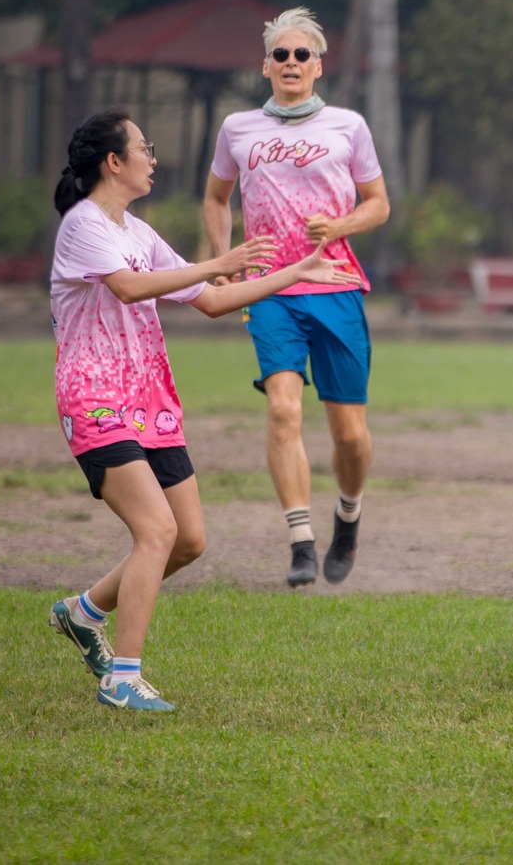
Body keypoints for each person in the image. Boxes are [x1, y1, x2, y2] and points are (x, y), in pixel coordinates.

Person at [46, 109, 360, 712]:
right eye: (145, 147)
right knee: (156, 531)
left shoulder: (138, 232)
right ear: (114, 163)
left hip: (151, 402)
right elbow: (132, 288)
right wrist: (218, 260)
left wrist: (293, 273)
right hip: (96, 399)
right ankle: (123, 677)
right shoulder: (84, 226)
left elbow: (212, 300)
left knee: (188, 539)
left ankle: (83, 613)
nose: (153, 157)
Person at [204, 7, 390, 588]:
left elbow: (379, 204)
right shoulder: (238, 129)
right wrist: (226, 262)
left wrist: (341, 228)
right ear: (265, 66)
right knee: (283, 408)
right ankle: (302, 541)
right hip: (272, 290)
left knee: (350, 436)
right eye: (280, 55)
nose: (290, 63)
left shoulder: (349, 126)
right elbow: (215, 199)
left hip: (335, 286)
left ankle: (349, 518)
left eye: (300, 54)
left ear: (317, 65)